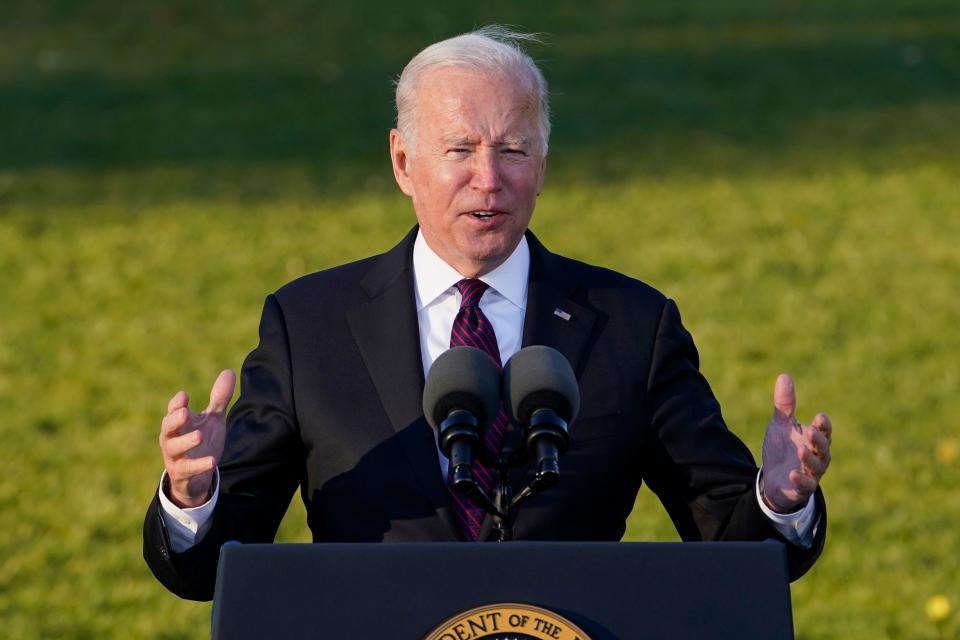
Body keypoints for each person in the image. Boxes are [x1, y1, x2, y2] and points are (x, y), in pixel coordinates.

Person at [144, 26, 832, 601]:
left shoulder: (632, 326)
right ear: (403, 161)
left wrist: (778, 499)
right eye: (460, 150)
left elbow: (735, 553)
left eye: (513, 149)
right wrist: (193, 494)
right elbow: (213, 569)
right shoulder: (309, 327)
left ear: (543, 160)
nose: (489, 178)